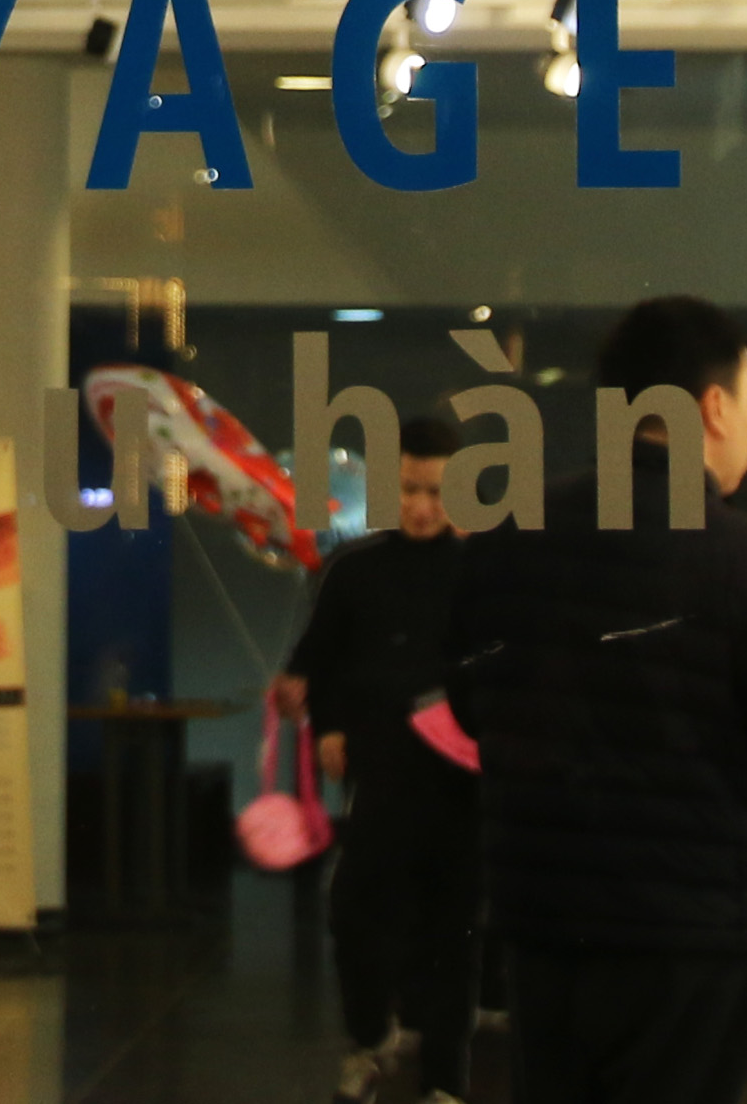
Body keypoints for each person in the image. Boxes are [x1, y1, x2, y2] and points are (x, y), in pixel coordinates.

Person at [448, 295, 747, 1104]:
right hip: (695, 928)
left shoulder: (508, 541)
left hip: (543, 921)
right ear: (713, 408)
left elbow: (474, 707)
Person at [275, 412, 478, 1104]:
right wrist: (324, 721)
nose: (421, 507)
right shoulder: (355, 570)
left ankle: (445, 1080)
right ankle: (369, 1037)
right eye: (410, 490)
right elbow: (318, 660)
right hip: (380, 769)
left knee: (454, 928)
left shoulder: (479, 572)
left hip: (460, 781)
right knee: (357, 913)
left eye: (436, 492)